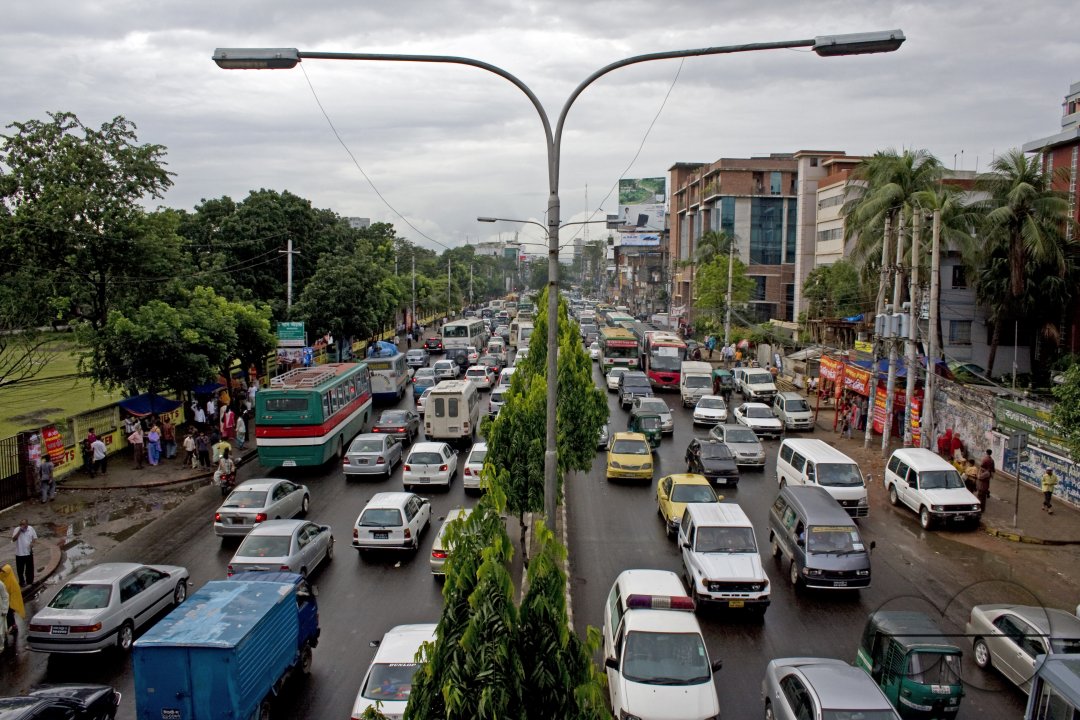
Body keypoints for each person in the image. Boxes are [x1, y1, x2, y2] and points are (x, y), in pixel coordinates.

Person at [0, 564, 24, 642]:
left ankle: (12, 627)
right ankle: (12, 626)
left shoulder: (4, 579)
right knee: (9, 613)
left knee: (9, 613)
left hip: (9, 599)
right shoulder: (8, 574)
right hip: (9, 598)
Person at [11, 520, 36, 587]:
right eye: (22, 525)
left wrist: (32, 543)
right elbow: (13, 539)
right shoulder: (17, 529)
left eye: (25, 525)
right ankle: (22, 582)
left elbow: (34, 538)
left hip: (28, 552)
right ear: (20, 525)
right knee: (20, 569)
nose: (24, 526)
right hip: (20, 554)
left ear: (27, 524)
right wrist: (20, 530)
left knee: (30, 568)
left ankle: (30, 581)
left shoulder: (30, 529)